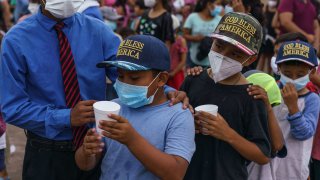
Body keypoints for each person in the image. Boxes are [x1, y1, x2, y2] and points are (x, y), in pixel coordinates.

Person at [76, 35, 196, 179]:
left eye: (134, 78)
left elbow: (175, 174)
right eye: (120, 76)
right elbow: (85, 164)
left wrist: (132, 140)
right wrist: (87, 151)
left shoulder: (178, 115)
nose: (125, 83)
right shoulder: (114, 107)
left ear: (161, 79)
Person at [182, 12, 271, 180]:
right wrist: (186, 120)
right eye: (219, 46)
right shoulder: (193, 80)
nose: (223, 56)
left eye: (236, 54)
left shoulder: (251, 96)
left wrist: (227, 133)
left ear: (251, 59)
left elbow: (262, 155)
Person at [272, 40, 320, 180]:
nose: (293, 80)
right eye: (287, 73)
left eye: (300, 75)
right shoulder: (272, 91)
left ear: (312, 72)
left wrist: (293, 108)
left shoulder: (312, 99)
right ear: (279, 68)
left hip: (295, 171)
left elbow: (304, 133)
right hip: (268, 168)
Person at [244, 70, 286, 180]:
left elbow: (277, 145)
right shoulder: (237, 120)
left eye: (270, 106)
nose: (259, 113)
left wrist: (268, 109)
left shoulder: (269, 124)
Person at [183, 0, 223, 67]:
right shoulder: (193, 17)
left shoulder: (220, 19)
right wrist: (194, 38)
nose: (220, 7)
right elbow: (184, 35)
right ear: (209, 4)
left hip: (213, 61)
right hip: (194, 59)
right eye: (218, 4)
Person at [167, 15, 187, 90]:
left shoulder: (181, 41)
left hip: (176, 73)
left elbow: (183, 60)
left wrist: (173, 73)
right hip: (165, 73)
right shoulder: (164, 40)